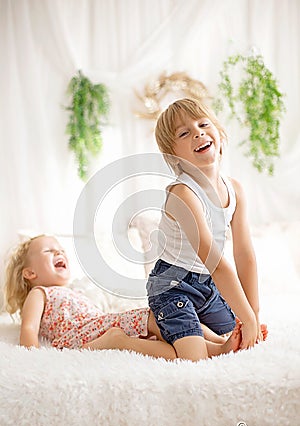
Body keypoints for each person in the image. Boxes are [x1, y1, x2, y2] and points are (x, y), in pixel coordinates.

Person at [146, 98, 267, 362]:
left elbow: (245, 254)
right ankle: (122, 340)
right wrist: (246, 319)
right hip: (172, 286)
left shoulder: (234, 189)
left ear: (219, 134)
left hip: (209, 287)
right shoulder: (183, 194)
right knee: (195, 358)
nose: (198, 133)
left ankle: (170, 326)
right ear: (173, 155)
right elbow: (215, 262)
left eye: (202, 124)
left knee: (239, 339)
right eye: (184, 133)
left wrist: (253, 316)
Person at [4, 234, 242, 360]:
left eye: (61, 249)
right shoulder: (39, 293)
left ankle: (214, 343)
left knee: (163, 331)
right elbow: (28, 329)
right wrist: (35, 362)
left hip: (95, 329)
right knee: (157, 316)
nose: (59, 252)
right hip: (78, 338)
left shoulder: (73, 291)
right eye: (49, 251)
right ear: (30, 273)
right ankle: (219, 347)